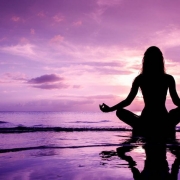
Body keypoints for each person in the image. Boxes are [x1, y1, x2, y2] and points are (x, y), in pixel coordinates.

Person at [99, 46, 180, 136]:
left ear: (145, 61)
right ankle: (163, 127)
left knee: (120, 112)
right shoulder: (167, 78)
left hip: (146, 119)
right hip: (163, 119)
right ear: (161, 60)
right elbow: (177, 101)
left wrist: (111, 109)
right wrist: (110, 109)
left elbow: (128, 101)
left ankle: (141, 127)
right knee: (120, 112)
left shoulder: (141, 79)